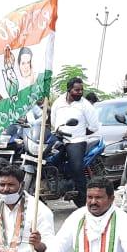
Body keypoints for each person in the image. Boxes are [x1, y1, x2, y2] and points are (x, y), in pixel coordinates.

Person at [51, 78, 100, 207]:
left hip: (76, 141)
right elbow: (53, 121)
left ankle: (85, 202)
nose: (80, 92)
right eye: (76, 90)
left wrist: (79, 134)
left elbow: (94, 126)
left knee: (77, 168)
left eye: (81, 90)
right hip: (59, 137)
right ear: (69, 89)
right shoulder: (58, 102)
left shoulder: (85, 105)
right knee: (47, 160)